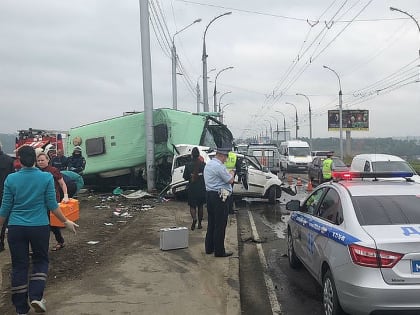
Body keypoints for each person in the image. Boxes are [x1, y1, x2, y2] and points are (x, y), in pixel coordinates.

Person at [0, 145, 78, 315]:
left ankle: (21, 309)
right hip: (39, 226)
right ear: (35, 160)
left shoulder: (11, 179)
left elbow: (5, 208)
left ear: (19, 160)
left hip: (16, 228)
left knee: (19, 266)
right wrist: (66, 221)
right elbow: (52, 205)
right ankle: (36, 296)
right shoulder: (45, 178)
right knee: (40, 261)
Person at [203, 146, 234, 258]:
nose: (226, 159)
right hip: (219, 197)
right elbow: (230, 180)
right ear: (221, 155)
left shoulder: (209, 165)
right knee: (220, 225)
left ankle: (209, 248)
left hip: (210, 195)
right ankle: (219, 251)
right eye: (226, 156)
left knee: (211, 223)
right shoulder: (219, 167)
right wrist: (232, 172)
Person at [37, 152, 69, 251]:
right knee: (44, 223)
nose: (40, 162)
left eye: (42, 160)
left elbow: (62, 184)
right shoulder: (36, 171)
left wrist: (66, 195)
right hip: (40, 200)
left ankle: (59, 241)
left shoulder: (53, 170)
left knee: (51, 222)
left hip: (52, 199)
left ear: (48, 160)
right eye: (38, 161)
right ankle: (43, 245)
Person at [183, 147, 206, 231]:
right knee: (200, 206)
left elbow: (185, 177)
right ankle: (199, 223)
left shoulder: (188, 165)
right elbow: (206, 176)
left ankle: (194, 219)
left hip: (192, 187)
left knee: (192, 206)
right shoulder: (203, 164)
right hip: (201, 187)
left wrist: (191, 176)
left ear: (192, 155)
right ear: (199, 155)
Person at [0, 142, 14, 252]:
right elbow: (12, 178)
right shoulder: (9, 160)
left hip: (4, 193)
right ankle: (1, 243)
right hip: (4, 193)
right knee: (3, 218)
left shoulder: (9, 160)